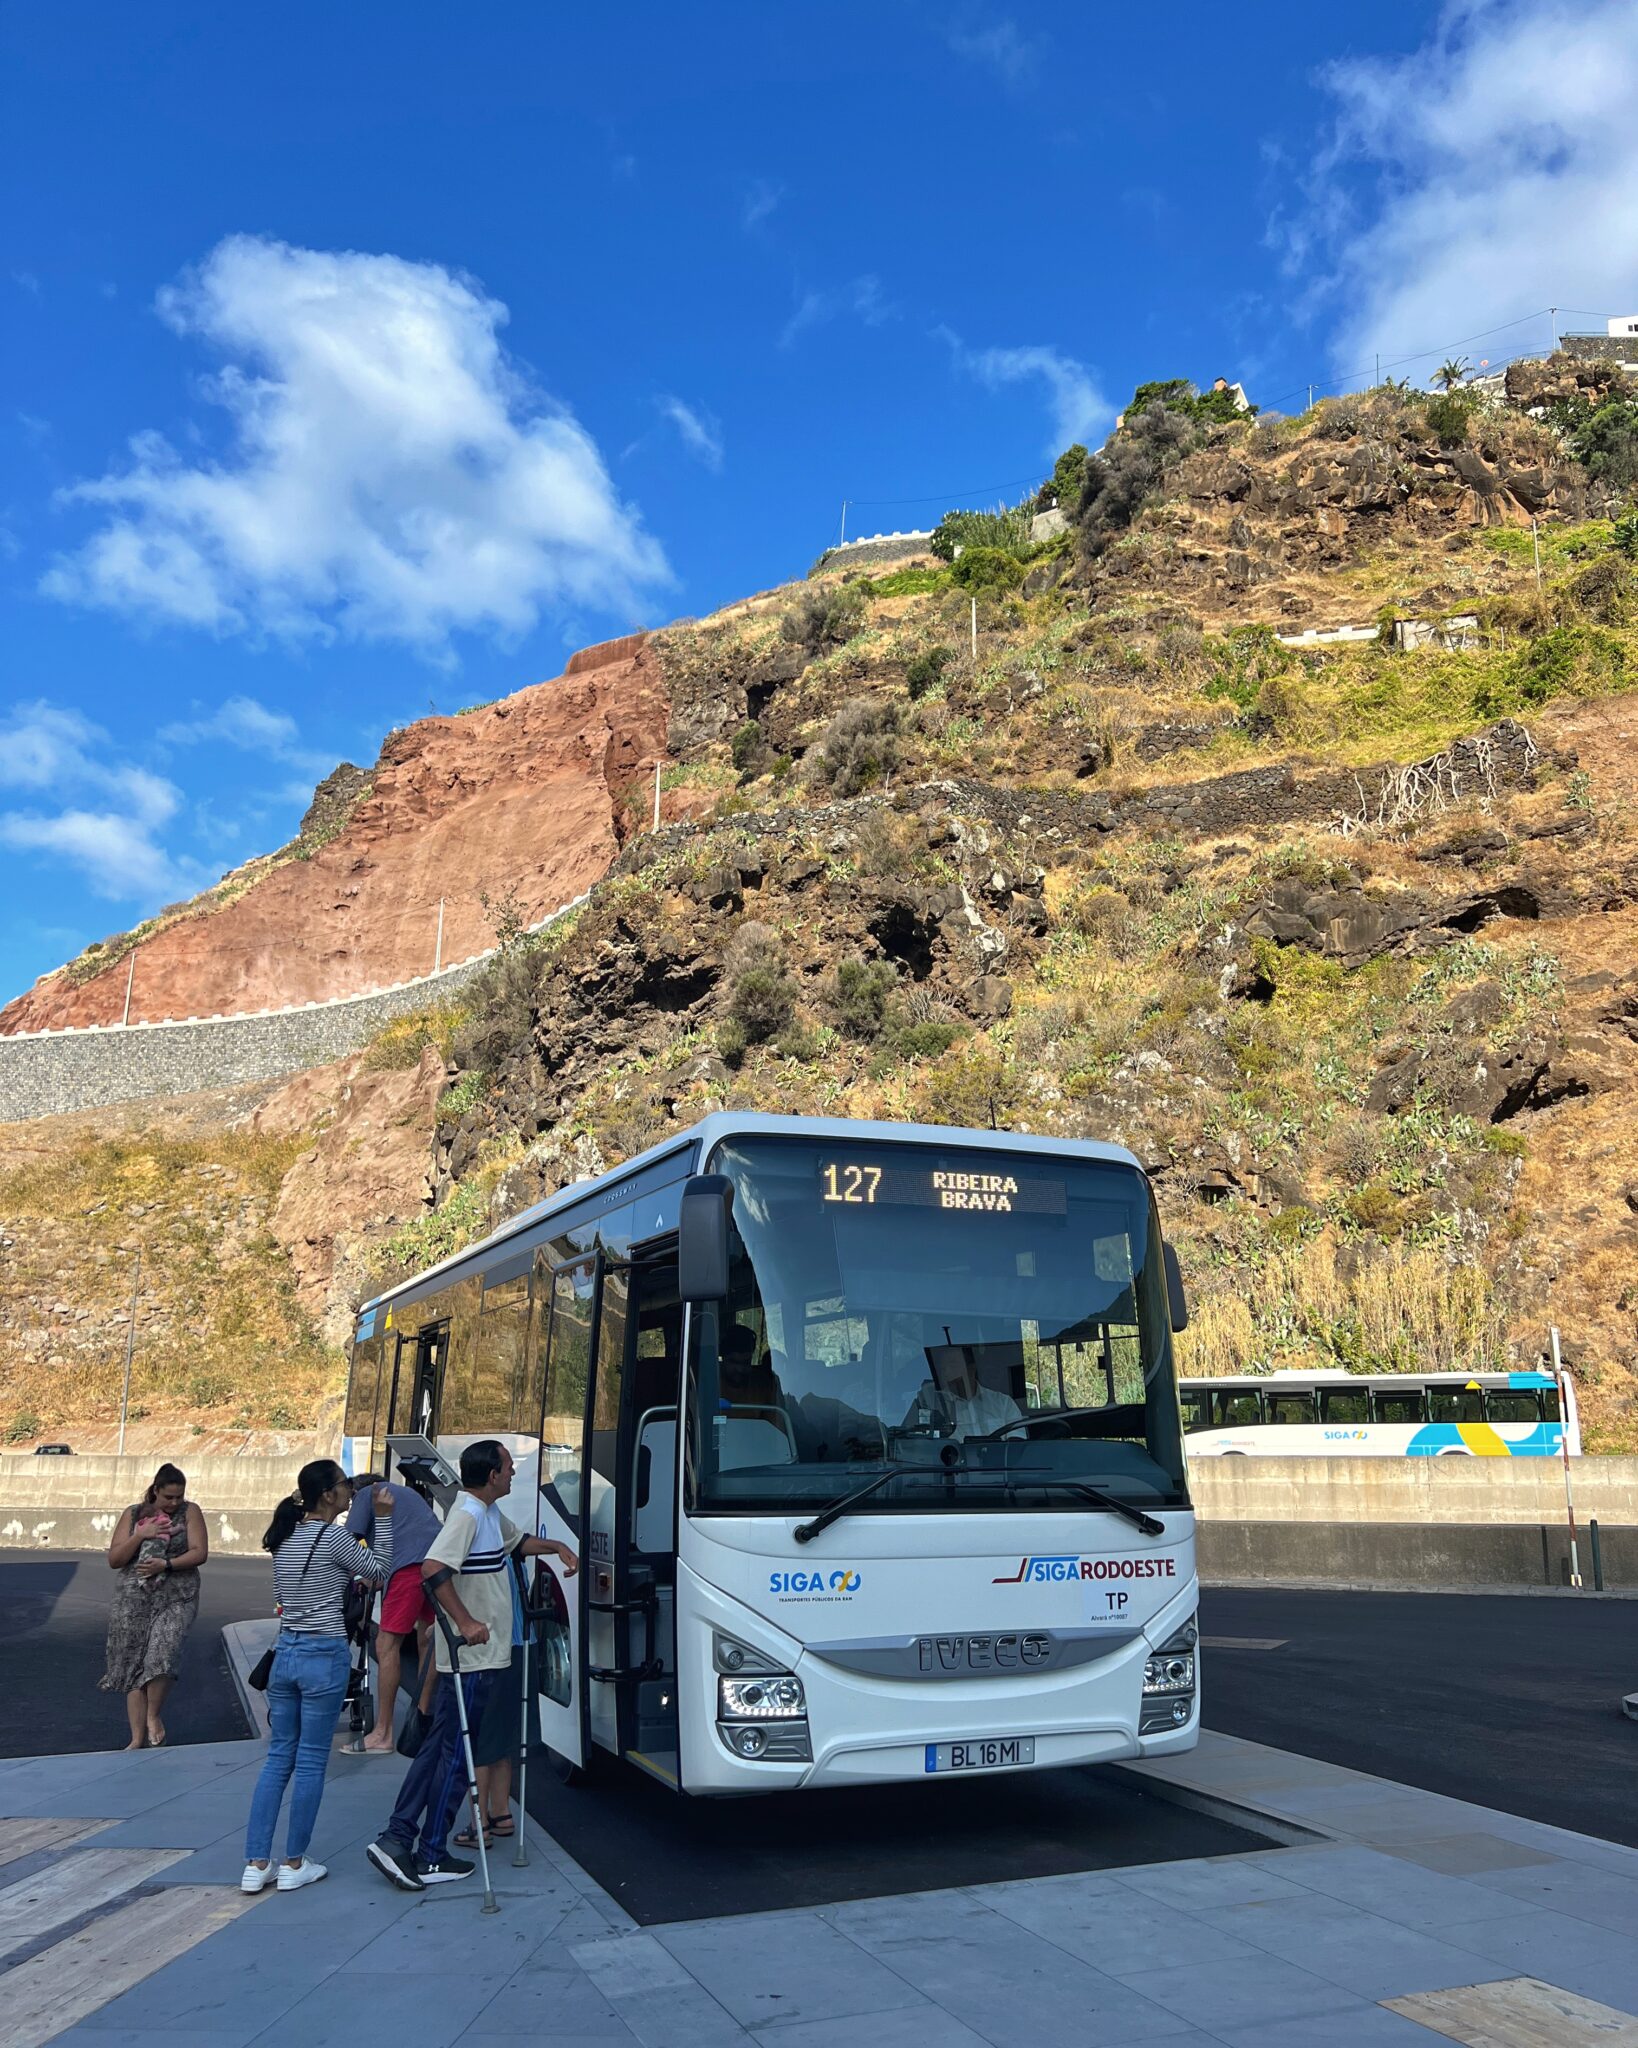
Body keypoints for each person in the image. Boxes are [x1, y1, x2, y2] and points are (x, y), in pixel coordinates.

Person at [368, 1440, 576, 1891]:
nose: (514, 1474)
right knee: (456, 1757)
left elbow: (517, 1543)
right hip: (475, 1659)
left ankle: (397, 1835)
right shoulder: (466, 1517)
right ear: (492, 1476)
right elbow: (433, 1568)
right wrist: (465, 1622)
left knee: (437, 1751)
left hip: (478, 1657)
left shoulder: (486, 1515)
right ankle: (430, 1852)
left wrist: (558, 1546)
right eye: (508, 1468)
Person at [241, 1461, 395, 1895]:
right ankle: (293, 1862)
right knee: (310, 1760)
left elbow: (281, 1598)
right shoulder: (332, 1536)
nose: (350, 1493)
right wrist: (382, 1519)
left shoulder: (284, 1539)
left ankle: (255, 1863)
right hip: (323, 1653)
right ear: (328, 1495)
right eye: (345, 1486)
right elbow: (379, 1569)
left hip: (286, 1651)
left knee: (277, 1760)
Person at [101, 1462, 208, 1749]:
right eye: (168, 1497)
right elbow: (115, 1560)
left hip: (176, 1596)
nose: (174, 1503)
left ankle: (153, 1714)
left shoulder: (191, 1512)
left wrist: (167, 1564)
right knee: (133, 1664)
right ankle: (136, 1738)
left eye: (179, 1497)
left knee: (163, 1652)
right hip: (133, 1598)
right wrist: (140, 1535)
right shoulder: (134, 1514)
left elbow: (200, 1552)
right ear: (155, 1491)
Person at [345, 1470, 444, 1753]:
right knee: (427, 1638)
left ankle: (383, 1734)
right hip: (437, 1565)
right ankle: (422, 1715)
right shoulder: (408, 1495)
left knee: (387, 1644)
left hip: (407, 1570)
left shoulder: (367, 1494)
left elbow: (347, 1546)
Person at [903, 1345, 1024, 1440]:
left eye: (952, 1364)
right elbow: (906, 1436)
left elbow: (1016, 1444)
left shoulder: (1003, 1403)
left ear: (971, 1367)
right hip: (952, 1470)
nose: (947, 1371)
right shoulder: (931, 1404)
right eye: (943, 1367)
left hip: (999, 1470)